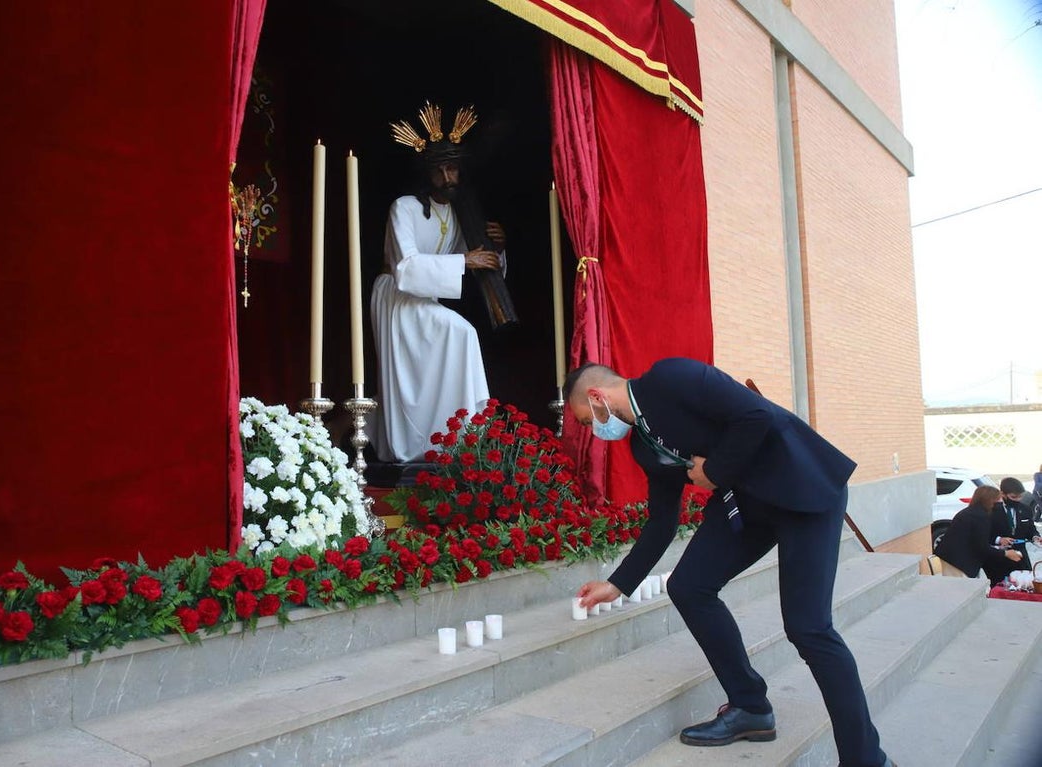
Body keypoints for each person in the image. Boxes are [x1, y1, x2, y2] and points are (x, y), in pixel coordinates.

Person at [565, 358, 895, 767]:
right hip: (747, 503)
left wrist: (715, 471)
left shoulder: (672, 377)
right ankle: (750, 706)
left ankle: (867, 759)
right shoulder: (642, 446)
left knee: (809, 629)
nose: (594, 430)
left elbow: (755, 415)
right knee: (688, 586)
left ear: (596, 396)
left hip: (802, 489)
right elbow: (662, 521)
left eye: (585, 421)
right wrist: (617, 584)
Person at [369, 102, 508, 463]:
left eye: (454, 168)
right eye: (442, 169)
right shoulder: (404, 207)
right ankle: (448, 437)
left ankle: (446, 440)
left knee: (448, 351)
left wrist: (495, 249)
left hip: (426, 301)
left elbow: (474, 261)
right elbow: (408, 267)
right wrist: (465, 259)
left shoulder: (459, 213)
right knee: (461, 334)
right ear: (427, 172)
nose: (449, 177)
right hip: (397, 297)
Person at [933, 485, 1023, 583]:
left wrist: (999, 540)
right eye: (998, 500)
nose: (1000, 503)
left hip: (949, 558)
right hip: (958, 563)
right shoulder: (980, 517)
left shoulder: (971, 512)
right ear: (990, 500)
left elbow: (976, 537)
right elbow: (981, 547)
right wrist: (1006, 553)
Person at [988, 477, 1042, 583]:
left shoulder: (1025, 509)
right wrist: (999, 540)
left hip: (1020, 558)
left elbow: (1030, 529)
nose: (1017, 500)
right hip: (998, 558)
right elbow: (983, 535)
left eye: (1020, 497)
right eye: (1014, 497)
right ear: (1002, 494)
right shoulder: (991, 510)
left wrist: (1035, 537)